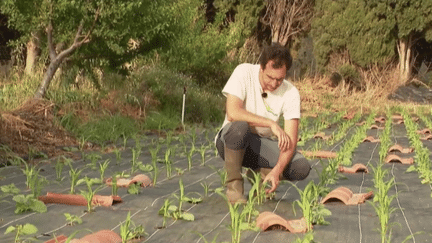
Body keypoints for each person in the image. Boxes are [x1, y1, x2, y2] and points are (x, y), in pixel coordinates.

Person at [215, 43, 311, 204]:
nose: (274, 84)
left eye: (280, 79)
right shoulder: (243, 72)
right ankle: (234, 190)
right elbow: (233, 113)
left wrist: (277, 170)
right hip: (230, 142)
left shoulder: (291, 93)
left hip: (259, 145)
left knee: (300, 166)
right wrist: (271, 124)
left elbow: (291, 141)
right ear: (261, 68)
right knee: (240, 127)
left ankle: (261, 177)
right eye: (270, 78)